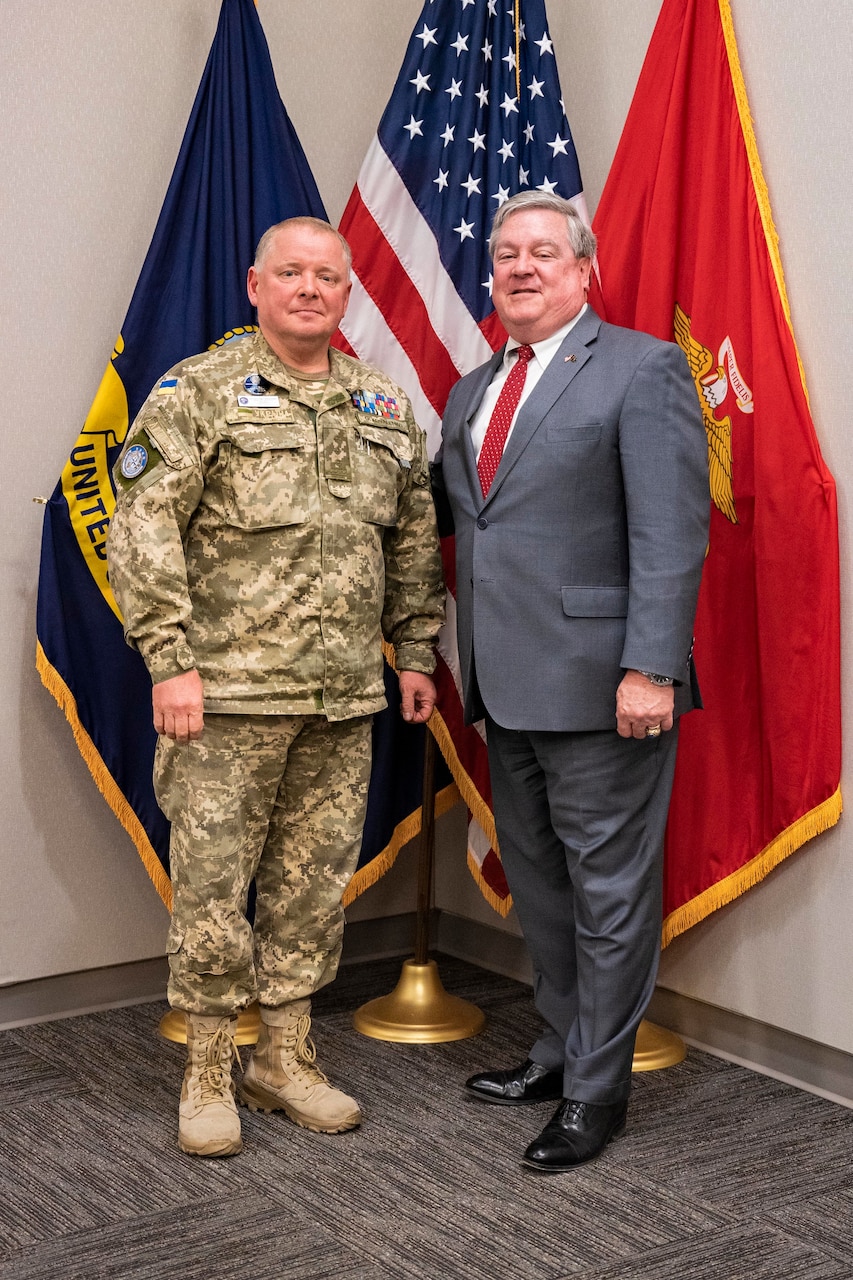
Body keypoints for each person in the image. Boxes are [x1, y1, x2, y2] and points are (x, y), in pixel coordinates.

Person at [108, 216, 445, 1158]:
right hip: (225, 697)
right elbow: (141, 528)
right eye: (290, 273)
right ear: (254, 284)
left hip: (342, 698)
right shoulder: (199, 391)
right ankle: (209, 1067)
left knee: (310, 886)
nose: (309, 289)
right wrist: (169, 659)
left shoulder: (381, 405)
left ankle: (285, 1057)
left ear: (346, 293)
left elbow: (412, 537)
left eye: (326, 277)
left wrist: (414, 649)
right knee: (214, 888)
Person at [432, 191, 708, 1172]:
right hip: (502, 684)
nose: (520, 266)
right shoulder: (470, 392)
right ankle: (554, 1049)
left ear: (583, 268)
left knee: (609, 890)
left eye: (542, 252)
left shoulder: (641, 368)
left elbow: (672, 534)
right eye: (505, 252)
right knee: (541, 886)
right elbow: (467, 532)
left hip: (604, 686)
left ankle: (597, 1088)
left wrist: (649, 666)